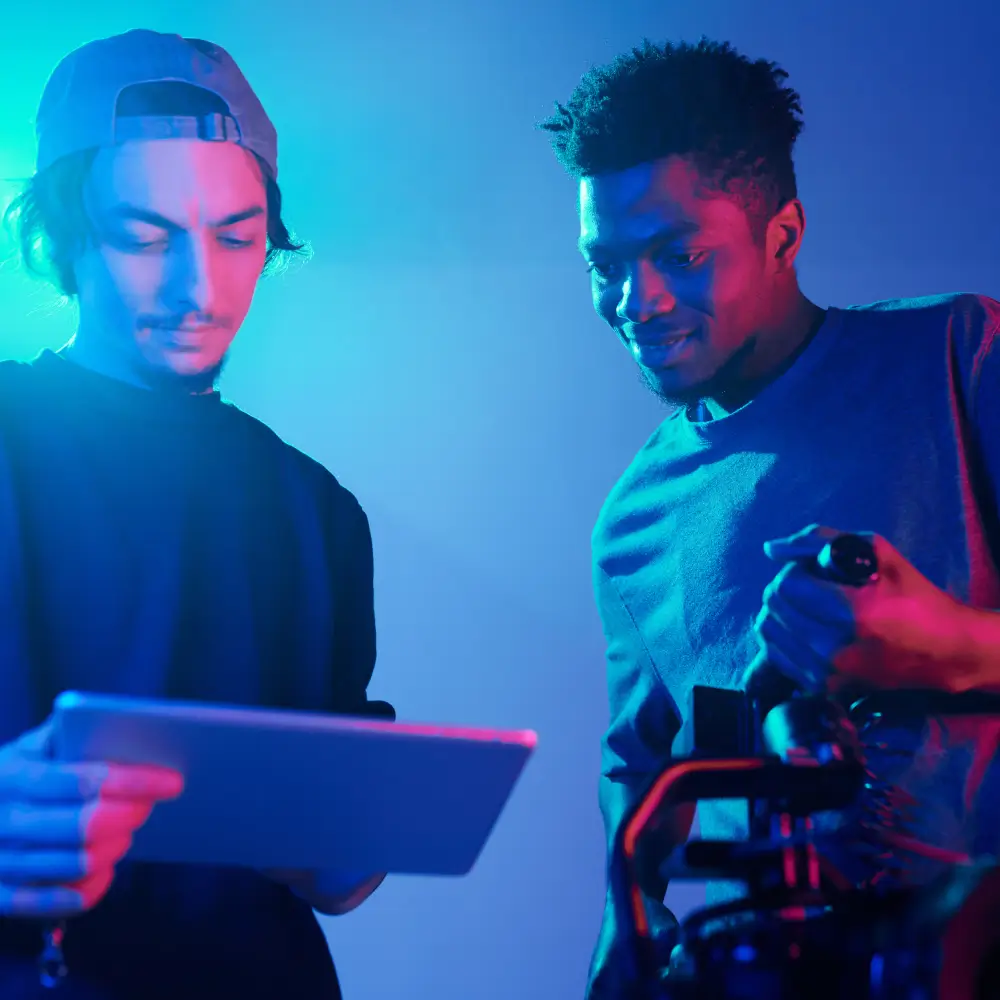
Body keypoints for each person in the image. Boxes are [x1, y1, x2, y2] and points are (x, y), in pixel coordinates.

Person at [541, 37, 1000, 997]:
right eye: (606, 263)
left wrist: (949, 646)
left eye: (679, 253)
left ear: (783, 235)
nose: (637, 301)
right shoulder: (630, 526)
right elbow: (644, 800)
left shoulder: (960, 359)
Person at [0, 29, 392, 999]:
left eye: (235, 235)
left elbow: (339, 867)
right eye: (143, 236)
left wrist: (349, 846)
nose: (198, 288)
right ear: (58, 239)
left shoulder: (315, 507)